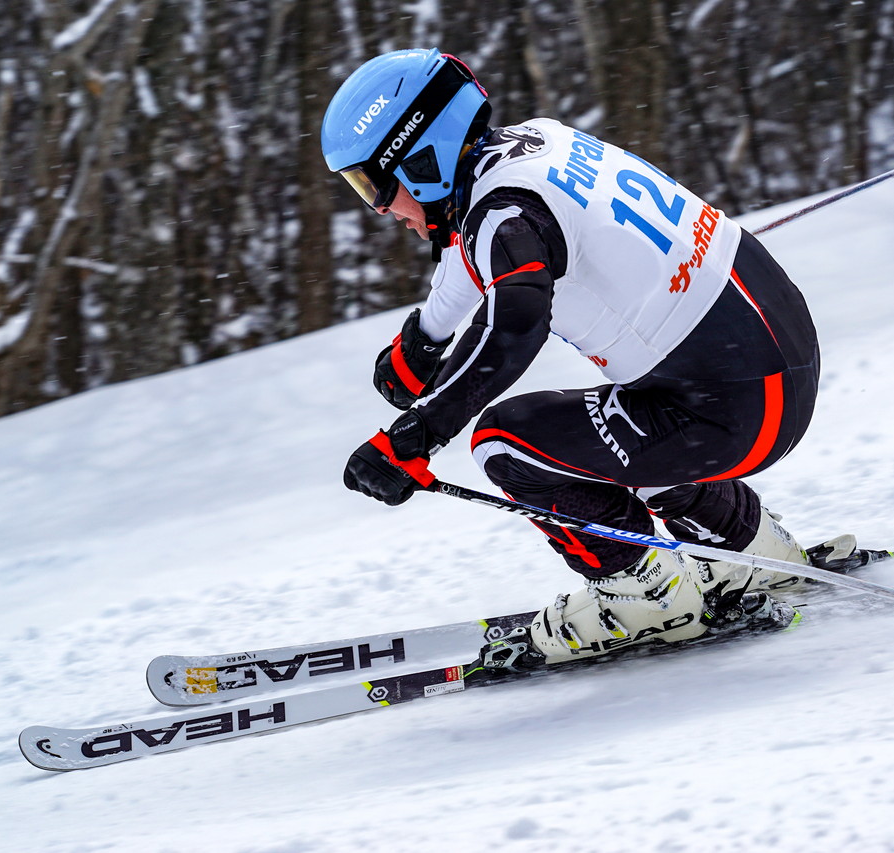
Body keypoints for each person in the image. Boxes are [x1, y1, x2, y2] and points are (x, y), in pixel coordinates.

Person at [321, 48, 851, 670]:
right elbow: (477, 249)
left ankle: (643, 599)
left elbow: (512, 324)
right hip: (775, 373)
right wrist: (425, 339)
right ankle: (750, 551)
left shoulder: (507, 216)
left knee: (504, 441)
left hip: (737, 410)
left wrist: (415, 436)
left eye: (376, 187)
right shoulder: (538, 144)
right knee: (628, 423)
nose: (382, 210)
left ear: (423, 157)